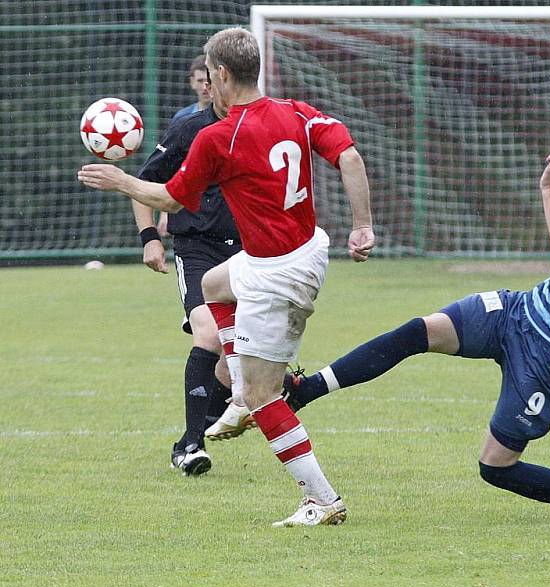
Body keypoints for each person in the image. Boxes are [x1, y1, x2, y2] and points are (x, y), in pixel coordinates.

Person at [282, 136, 550, 519]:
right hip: (517, 312)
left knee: (495, 466)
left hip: (548, 355)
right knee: (419, 331)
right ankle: (308, 389)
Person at [79, 27, 375, 527]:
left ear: (219, 74)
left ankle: (322, 499)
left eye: (208, 75)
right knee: (215, 285)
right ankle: (238, 388)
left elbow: (170, 198)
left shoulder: (220, 137)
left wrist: (121, 181)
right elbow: (348, 154)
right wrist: (363, 225)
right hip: (300, 250)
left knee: (266, 397)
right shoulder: (296, 112)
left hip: (278, 273)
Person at [131, 68, 247, 476]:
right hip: (198, 249)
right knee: (210, 335)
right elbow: (143, 184)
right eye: (209, 82)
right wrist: (150, 237)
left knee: (243, 359)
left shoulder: (259, 125)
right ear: (209, 85)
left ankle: (207, 422)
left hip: (252, 253)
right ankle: (190, 445)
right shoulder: (189, 129)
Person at [170, 55, 212, 125]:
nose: (205, 87)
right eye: (200, 81)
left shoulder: (227, 117)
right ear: (192, 82)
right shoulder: (181, 118)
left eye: (209, 81)